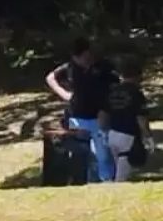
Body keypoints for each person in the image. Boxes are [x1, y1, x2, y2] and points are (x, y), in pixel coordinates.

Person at [45, 37, 118, 183]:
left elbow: (115, 84)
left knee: (102, 152)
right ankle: (85, 180)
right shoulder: (69, 68)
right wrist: (64, 94)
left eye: (89, 55)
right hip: (77, 117)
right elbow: (50, 78)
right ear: (75, 57)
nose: (88, 59)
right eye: (84, 56)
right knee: (84, 152)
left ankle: (107, 180)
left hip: (99, 116)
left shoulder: (102, 67)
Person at [102, 55, 155, 182]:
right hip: (128, 135)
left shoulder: (112, 91)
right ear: (138, 76)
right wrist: (148, 137)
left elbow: (103, 114)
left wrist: (103, 132)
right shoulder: (136, 93)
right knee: (122, 175)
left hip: (112, 134)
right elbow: (141, 117)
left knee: (116, 167)